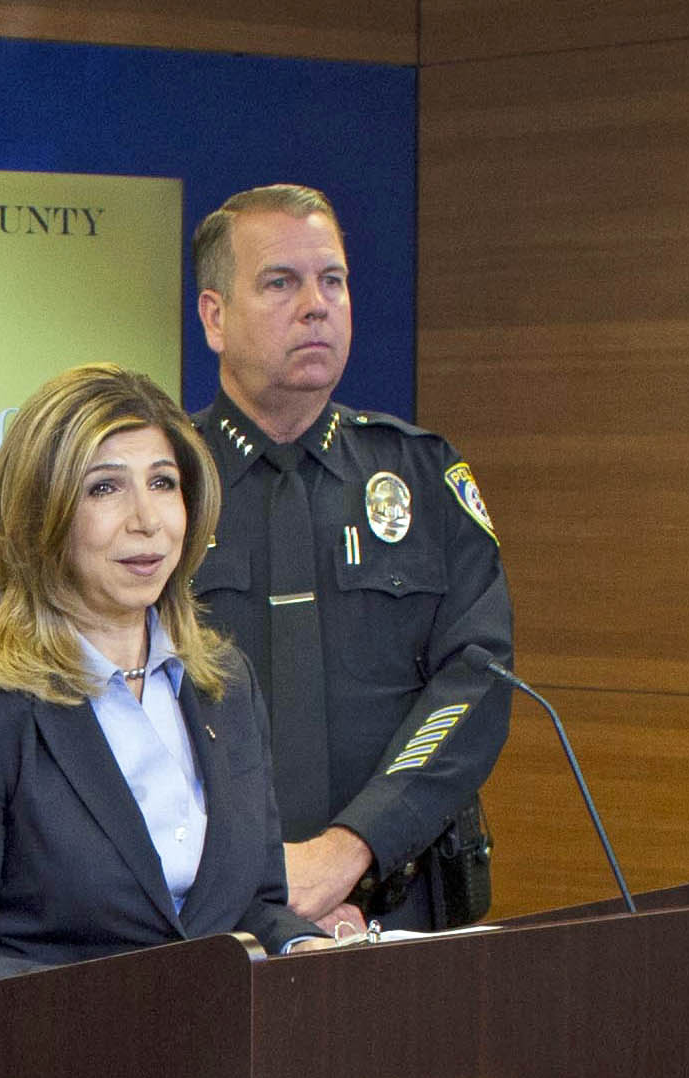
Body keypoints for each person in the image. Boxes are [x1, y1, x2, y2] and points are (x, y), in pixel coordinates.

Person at [0, 363, 329, 998]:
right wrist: (126, 1000)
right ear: (42, 515)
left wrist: (299, 945)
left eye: (162, 483)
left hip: (228, 1047)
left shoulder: (225, 683)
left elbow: (252, 907)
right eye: (105, 488)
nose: (146, 519)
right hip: (66, 1053)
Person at [190, 184, 513, 931]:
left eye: (332, 281)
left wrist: (355, 845)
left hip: (401, 903)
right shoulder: (162, 484)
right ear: (214, 316)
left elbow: (476, 680)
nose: (316, 306)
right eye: (281, 283)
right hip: (203, 914)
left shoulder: (421, 474)